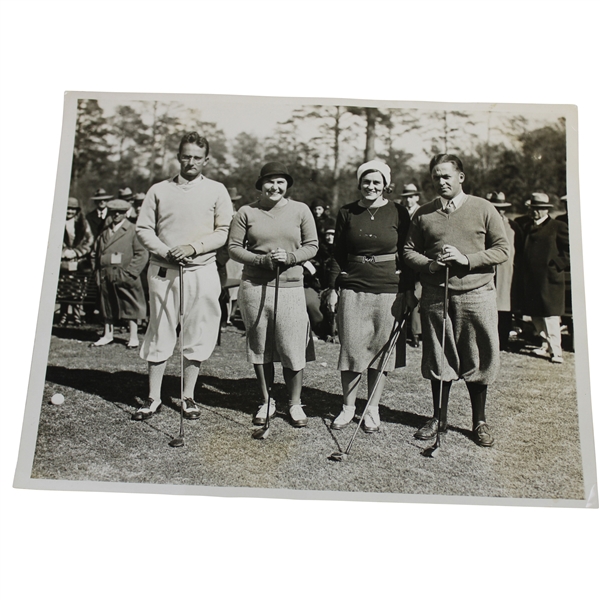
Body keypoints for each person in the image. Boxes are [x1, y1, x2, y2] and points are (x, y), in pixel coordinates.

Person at [404, 154, 509, 447]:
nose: (441, 182)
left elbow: (502, 250)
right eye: (436, 177)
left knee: (478, 357)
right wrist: (430, 266)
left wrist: (467, 259)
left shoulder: (483, 208)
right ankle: (439, 418)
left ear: (460, 177)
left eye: (447, 176)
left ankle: (479, 421)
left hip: (476, 294)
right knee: (439, 357)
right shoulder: (423, 213)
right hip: (437, 295)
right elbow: (409, 251)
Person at [134, 132, 233, 421]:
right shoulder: (158, 190)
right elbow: (143, 229)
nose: (191, 162)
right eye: (186, 156)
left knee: (198, 331)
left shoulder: (217, 190)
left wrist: (193, 247)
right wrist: (167, 252)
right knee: (160, 329)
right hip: (164, 271)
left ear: (206, 160)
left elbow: (223, 231)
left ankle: (188, 395)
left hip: (202, 270)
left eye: (197, 157)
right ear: (178, 156)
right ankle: (152, 398)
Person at [228, 162, 319, 428]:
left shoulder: (300, 210)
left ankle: (294, 403)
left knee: (292, 346)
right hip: (255, 287)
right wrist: (260, 261)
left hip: (290, 287)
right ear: (261, 184)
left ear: (287, 185)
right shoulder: (246, 211)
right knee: (261, 345)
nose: (275, 187)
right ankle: (266, 401)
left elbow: (312, 246)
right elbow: (234, 248)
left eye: (280, 182)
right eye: (270, 182)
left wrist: (291, 257)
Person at [327, 160, 414, 433]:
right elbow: (338, 253)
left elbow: (408, 254)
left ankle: (372, 409)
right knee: (351, 350)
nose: (371, 186)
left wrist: (409, 290)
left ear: (385, 185)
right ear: (359, 183)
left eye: (377, 182)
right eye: (366, 182)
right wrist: (332, 288)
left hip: (388, 289)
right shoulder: (347, 212)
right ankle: (348, 407)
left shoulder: (398, 212)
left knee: (380, 351)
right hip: (353, 286)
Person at [91, 199, 149, 348]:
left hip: (125, 275)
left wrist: (130, 273)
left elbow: (142, 254)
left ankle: (133, 337)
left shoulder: (133, 230)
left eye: (120, 212)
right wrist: (97, 271)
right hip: (106, 274)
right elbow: (94, 253)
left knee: (130, 305)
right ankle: (108, 335)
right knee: (107, 305)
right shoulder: (104, 232)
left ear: (126, 213)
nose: (116, 215)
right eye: (113, 212)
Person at [521, 193, 570, 364]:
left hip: (550, 281)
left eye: (539, 209)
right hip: (532, 280)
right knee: (536, 315)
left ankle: (556, 351)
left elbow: (570, 250)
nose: (535, 212)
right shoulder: (527, 227)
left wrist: (555, 265)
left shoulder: (558, 226)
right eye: (533, 209)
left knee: (551, 315)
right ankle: (545, 345)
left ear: (546, 210)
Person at [487, 191, 524, 351]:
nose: (499, 211)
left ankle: (503, 340)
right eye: (496, 207)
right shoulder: (485, 223)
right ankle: (489, 341)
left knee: (505, 306)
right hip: (489, 269)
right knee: (489, 306)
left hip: (507, 271)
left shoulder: (512, 226)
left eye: (502, 208)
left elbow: (520, 248)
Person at [57, 197, 94, 326]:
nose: (70, 211)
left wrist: (77, 252)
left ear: (77, 210)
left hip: (79, 261)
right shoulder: (57, 222)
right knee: (63, 290)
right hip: (63, 261)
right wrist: (64, 251)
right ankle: (63, 315)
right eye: (68, 208)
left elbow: (89, 241)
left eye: (73, 209)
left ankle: (77, 316)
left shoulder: (83, 223)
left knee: (78, 291)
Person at [400, 183, 423, 347]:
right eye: (405, 197)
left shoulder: (421, 212)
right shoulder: (400, 213)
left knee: (417, 292)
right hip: (402, 257)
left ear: (417, 197)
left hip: (419, 256)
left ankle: (416, 333)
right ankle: (406, 331)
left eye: (411, 196)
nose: (408, 200)